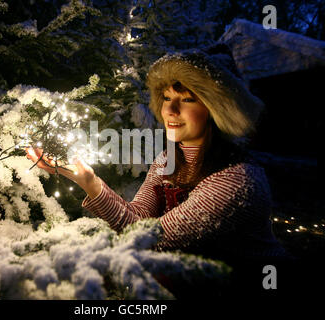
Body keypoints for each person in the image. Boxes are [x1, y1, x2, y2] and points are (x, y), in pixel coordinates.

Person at [26, 43, 292, 294]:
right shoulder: (167, 161)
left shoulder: (235, 180)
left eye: (187, 100)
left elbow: (149, 238)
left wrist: (91, 184)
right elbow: (139, 216)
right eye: (166, 98)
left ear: (216, 109)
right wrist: (82, 177)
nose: (171, 110)